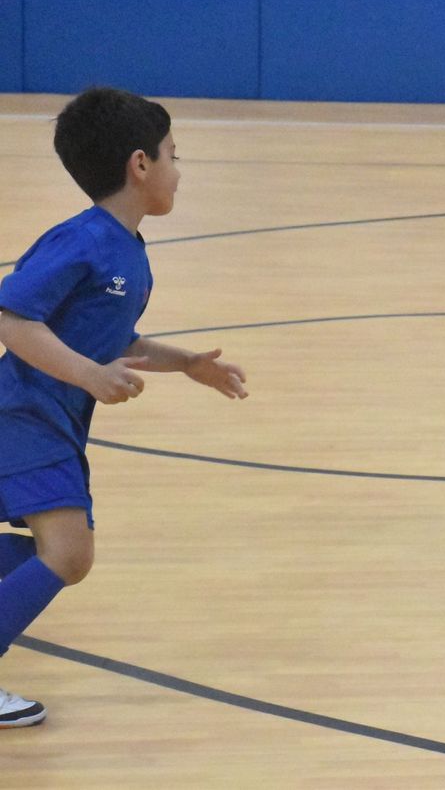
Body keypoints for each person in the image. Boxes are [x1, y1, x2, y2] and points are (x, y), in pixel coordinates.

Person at [0, 87, 249, 728]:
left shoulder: (125, 251)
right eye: (173, 153)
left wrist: (188, 363)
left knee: (50, 553)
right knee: (68, 553)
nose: (179, 168)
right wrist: (88, 374)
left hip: (42, 420)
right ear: (140, 165)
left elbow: (117, 339)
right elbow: (13, 318)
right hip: (24, 417)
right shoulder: (83, 241)